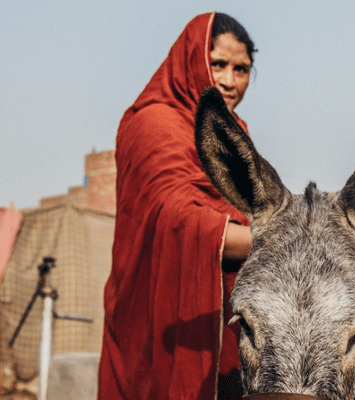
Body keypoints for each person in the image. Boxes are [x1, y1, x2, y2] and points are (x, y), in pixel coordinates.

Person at [99, 12, 257, 400]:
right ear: (191, 59)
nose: (229, 81)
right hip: (160, 318)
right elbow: (172, 217)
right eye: (217, 64)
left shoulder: (236, 134)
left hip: (227, 320)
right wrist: (270, 240)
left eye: (242, 69)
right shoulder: (153, 122)